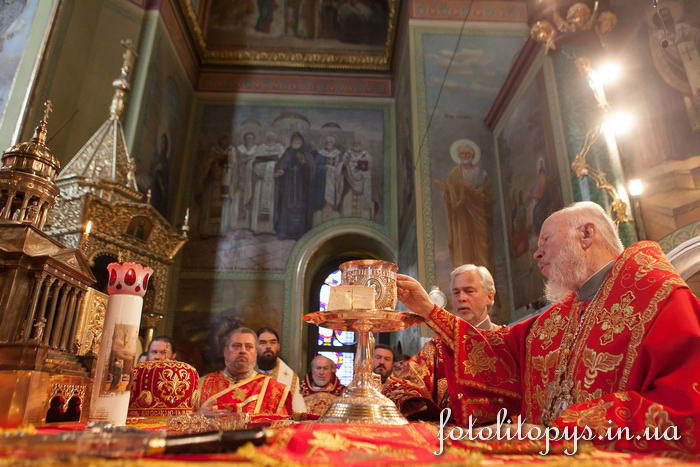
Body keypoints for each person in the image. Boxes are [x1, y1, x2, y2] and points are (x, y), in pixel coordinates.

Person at [396, 201, 700, 455]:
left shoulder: (658, 295)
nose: (536, 253)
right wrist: (428, 310)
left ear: (586, 234)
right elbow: (497, 351)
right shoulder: (559, 316)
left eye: (545, 241)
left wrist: (564, 431)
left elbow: (688, 406)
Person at [383, 264, 501, 419]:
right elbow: (402, 383)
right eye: (456, 292)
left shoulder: (507, 340)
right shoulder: (437, 347)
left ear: (490, 297)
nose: (461, 298)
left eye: (469, 291)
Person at [196, 327, 292, 415]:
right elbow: (187, 420)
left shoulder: (274, 390)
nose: (243, 351)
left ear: (256, 353)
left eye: (249, 347)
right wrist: (198, 416)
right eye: (236, 346)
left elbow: (283, 426)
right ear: (225, 351)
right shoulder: (201, 385)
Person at [434, 138, 491, 271]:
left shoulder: (481, 173)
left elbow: (486, 193)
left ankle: (483, 271)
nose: (465, 156)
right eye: (462, 154)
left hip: (478, 214)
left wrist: (472, 191)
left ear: (472, 155)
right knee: (463, 242)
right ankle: (465, 271)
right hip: (461, 216)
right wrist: (447, 190)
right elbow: (452, 192)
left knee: (481, 243)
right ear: (459, 156)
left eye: (467, 153)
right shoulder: (455, 173)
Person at [255, 328, 307, 413]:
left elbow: (299, 411)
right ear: (254, 346)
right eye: (262, 342)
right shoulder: (245, 372)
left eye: (273, 342)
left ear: (278, 347)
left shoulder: (291, 378)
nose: (268, 346)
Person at [274, 133, 314, 240]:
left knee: (300, 207)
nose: (296, 142)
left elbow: (311, 169)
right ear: (291, 141)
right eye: (294, 140)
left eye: (298, 140)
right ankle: (285, 232)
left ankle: (300, 233)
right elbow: (282, 164)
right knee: (286, 206)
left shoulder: (306, 153)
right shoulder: (288, 152)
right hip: (288, 184)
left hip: (301, 186)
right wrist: (281, 170)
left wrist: (303, 162)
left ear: (302, 142)